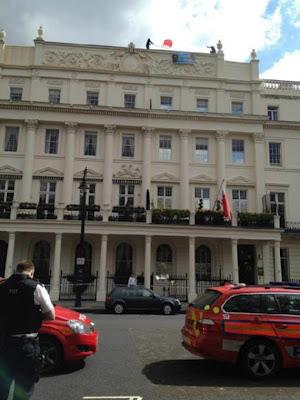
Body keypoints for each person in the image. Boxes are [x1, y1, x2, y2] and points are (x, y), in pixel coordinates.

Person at [0, 260, 55, 400]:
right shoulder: (36, 287)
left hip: (5, 343)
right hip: (28, 344)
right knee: (24, 388)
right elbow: (51, 315)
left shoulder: (3, 287)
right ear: (31, 272)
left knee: (3, 387)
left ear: (16, 270)